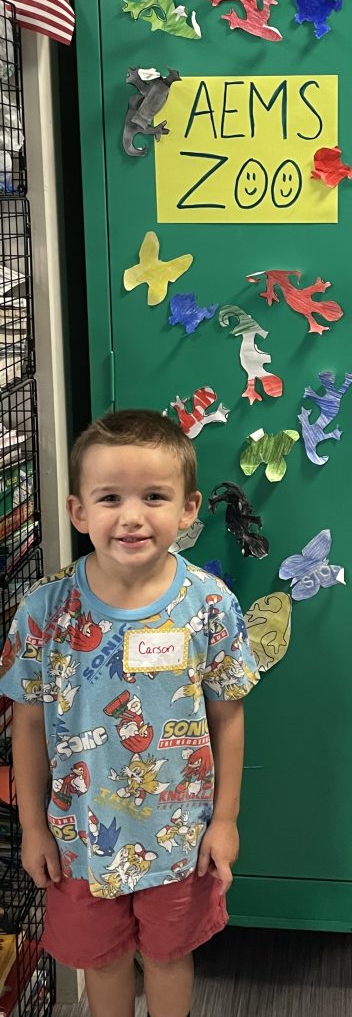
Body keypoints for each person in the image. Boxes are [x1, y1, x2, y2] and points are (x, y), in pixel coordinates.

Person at [0, 410, 260, 1017]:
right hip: (79, 842)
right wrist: (34, 827)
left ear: (189, 508)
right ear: (78, 511)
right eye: (110, 497)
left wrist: (226, 820)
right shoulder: (44, 613)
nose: (133, 516)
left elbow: (228, 717)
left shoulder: (210, 606)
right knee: (102, 962)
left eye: (154, 496)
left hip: (179, 839)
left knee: (170, 956)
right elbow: (29, 726)